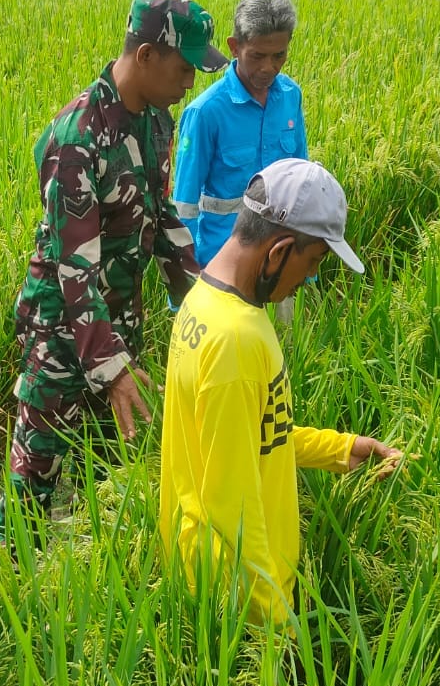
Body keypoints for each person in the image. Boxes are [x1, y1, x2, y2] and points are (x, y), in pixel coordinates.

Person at [0, 0, 227, 543]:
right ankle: (7, 583)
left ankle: (98, 576)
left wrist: (210, 299)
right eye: (184, 67)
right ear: (145, 55)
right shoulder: (79, 139)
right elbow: (73, 267)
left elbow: (161, 216)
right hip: (60, 331)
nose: (189, 82)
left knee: (111, 477)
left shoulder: (156, 121)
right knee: (35, 476)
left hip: (118, 324)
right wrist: (112, 369)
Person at [160, 158, 402, 624]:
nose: (309, 280)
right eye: (314, 262)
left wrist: (340, 449)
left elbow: (249, 438)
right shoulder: (236, 340)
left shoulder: (205, 302)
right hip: (239, 606)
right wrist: (278, 629)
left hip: (217, 582)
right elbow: (233, 511)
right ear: (279, 251)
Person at [172, 0, 308, 322]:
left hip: (279, 259)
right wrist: (186, 288)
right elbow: (184, 207)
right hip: (223, 264)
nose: (269, 67)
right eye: (257, 56)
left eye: (279, 55)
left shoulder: (290, 96)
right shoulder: (206, 112)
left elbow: (302, 181)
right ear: (235, 47)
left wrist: (304, 258)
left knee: (282, 347)